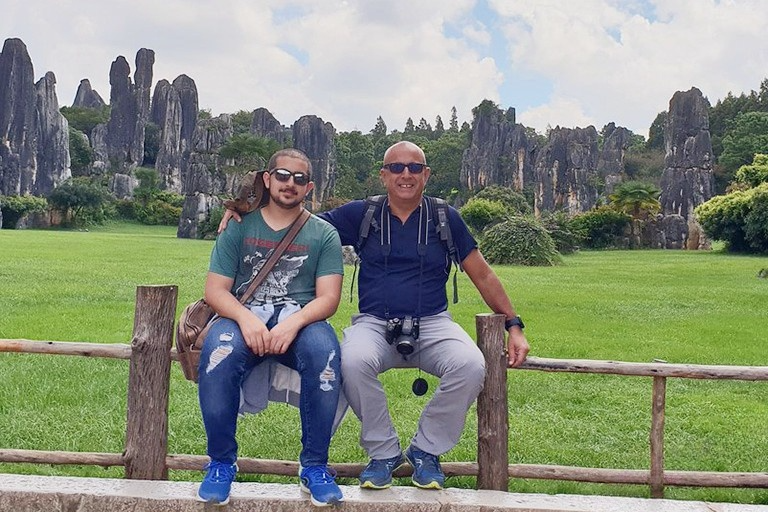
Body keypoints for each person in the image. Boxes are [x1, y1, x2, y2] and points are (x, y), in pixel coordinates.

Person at [221, 140, 529, 491]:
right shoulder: (362, 214)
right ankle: (383, 451)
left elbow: (483, 274)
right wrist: (245, 213)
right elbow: (295, 225)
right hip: (374, 322)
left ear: (426, 175)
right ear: (384, 175)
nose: (406, 175)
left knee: (470, 365)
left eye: (414, 168)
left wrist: (513, 324)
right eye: (396, 168)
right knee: (351, 362)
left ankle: (426, 450)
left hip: (432, 322)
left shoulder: (445, 217)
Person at [199, 148, 345, 507]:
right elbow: (215, 289)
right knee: (218, 355)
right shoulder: (239, 226)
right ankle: (220, 462)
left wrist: (292, 323)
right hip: (242, 313)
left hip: (299, 316)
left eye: (299, 179)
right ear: (267, 179)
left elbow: (328, 298)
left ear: (309, 187)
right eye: (282, 175)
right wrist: (247, 319)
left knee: (325, 355)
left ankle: (314, 466)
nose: (289, 184)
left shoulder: (323, 234)